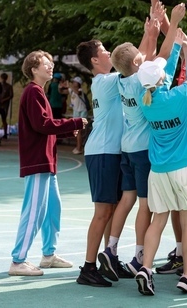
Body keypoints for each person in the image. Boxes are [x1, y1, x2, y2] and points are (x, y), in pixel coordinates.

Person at [98, 2, 184, 282]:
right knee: (145, 204)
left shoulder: (123, 80)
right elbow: (162, 55)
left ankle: (110, 248)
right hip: (144, 149)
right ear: (138, 62)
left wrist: (151, 32)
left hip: (126, 146)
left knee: (127, 198)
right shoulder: (142, 82)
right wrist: (170, 22)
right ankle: (138, 254)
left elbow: (141, 56)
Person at [133, 28, 187, 296]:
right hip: (184, 168)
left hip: (158, 170)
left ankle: (146, 267)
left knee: (158, 220)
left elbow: (161, 79)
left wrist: (176, 48)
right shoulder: (178, 98)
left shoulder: (146, 100)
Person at [9, 50, 87, 276]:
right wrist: (73, 122)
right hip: (38, 161)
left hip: (47, 162)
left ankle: (48, 255)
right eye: (46, 64)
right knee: (34, 211)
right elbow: (42, 124)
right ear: (34, 69)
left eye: (51, 63)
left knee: (53, 208)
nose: (50, 67)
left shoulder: (38, 92)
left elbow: (46, 124)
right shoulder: (32, 92)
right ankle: (18, 260)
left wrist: (66, 127)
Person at [75, 39, 124, 287]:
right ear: (95, 60)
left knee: (112, 210)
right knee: (103, 212)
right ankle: (88, 267)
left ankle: (110, 259)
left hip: (111, 152)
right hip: (103, 152)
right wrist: (153, 32)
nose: (109, 53)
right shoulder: (105, 81)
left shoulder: (108, 81)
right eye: (104, 51)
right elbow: (134, 62)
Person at [69, 77, 89, 155]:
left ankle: (79, 148)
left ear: (79, 84)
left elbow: (78, 92)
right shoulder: (72, 92)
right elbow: (62, 91)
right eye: (73, 82)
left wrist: (71, 87)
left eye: (75, 82)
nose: (73, 83)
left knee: (79, 130)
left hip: (82, 112)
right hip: (76, 112)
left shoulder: (80, 91)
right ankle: (78, 146)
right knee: (77, 131)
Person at [0, 72, 14, 140]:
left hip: (4, 105)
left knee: (4, 119)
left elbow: (11, 95)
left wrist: (4, 100)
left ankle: (5, 133)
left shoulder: (9, 86)